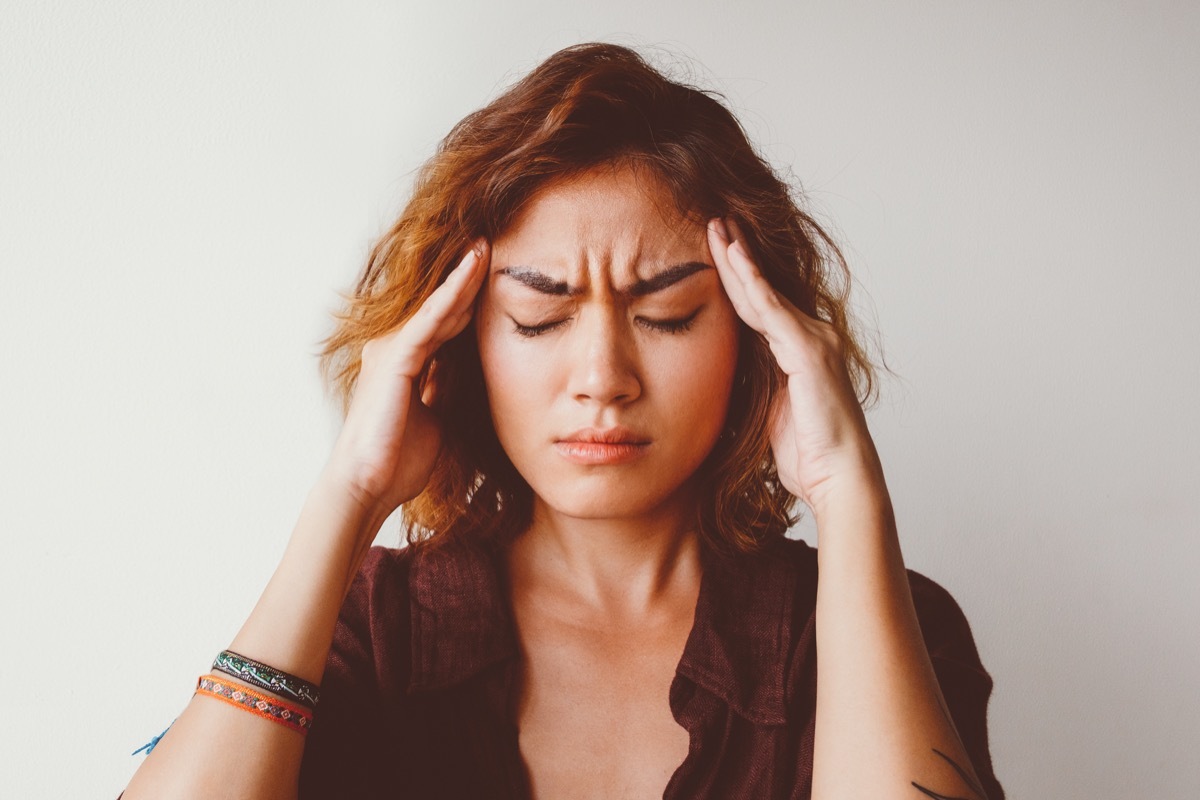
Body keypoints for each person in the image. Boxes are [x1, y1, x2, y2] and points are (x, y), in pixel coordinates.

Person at [120, 42, 1004, 800]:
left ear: (757, 334)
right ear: (461, 341)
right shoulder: (375, 628)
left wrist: (849, 493)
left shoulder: (891, 619)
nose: (602, 379)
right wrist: (347, 494)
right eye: (541, 319)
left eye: (668, 316)